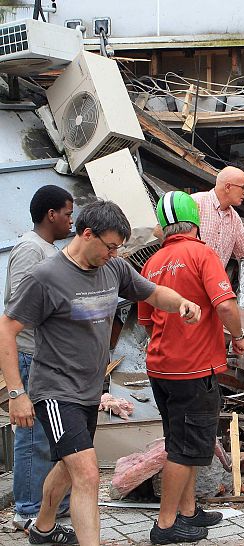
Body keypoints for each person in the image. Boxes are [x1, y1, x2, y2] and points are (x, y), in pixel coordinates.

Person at [0, 200, 202, 546]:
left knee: (68, 466)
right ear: (87, 234)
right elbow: (6, 328)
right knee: (88, 472)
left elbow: (153, 292)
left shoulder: (114, 269)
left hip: (91, 389)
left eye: (117, 248)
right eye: (109, 246)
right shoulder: (45, 276)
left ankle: (42, 528)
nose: (113, 253)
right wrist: (17, 393)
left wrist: (181, 302)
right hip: (56, 391)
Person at [139, 192, 244, 544]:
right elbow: (226, 305)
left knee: (178, 441)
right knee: (185, 450)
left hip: (161, 368)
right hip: (194, 369)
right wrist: (239, 337)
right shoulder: (203, 254)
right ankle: (166, 525)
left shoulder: (152, 263)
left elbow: (145, 320)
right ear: (195, 221)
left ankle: (188, 512)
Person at [5, 185, 74, 531]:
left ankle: (50, 505)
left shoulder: (47, 250)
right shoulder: (29, 250)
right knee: (32, 436)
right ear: (51, 215)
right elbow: (17, 309)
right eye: (67, 213)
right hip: (32, 355)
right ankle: (28, 509)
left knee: (50, 435)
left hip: (48, 357)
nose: (70, 221)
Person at [191, 166, 244, 267]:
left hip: (213, 281)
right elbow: (166, 232)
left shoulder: (234, 219)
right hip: (187, 279)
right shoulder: (195, 202)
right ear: (227, 187)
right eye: (243, 188)